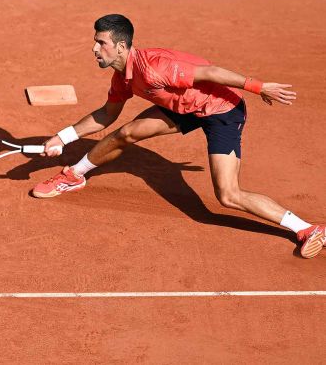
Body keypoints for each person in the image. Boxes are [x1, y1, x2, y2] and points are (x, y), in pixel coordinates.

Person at [32, 14, 325, 259]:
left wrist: (260, 87)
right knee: (126, 132)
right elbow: (106, 115)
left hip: (221, 111)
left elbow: (211, 72)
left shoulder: (156, 67)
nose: (94, 48)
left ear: (121, 46)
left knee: (228, 195)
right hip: (183, 106)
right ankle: (74, 175)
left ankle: (308, 228)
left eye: (100, 42)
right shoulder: (122, 77)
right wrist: (62, 137)